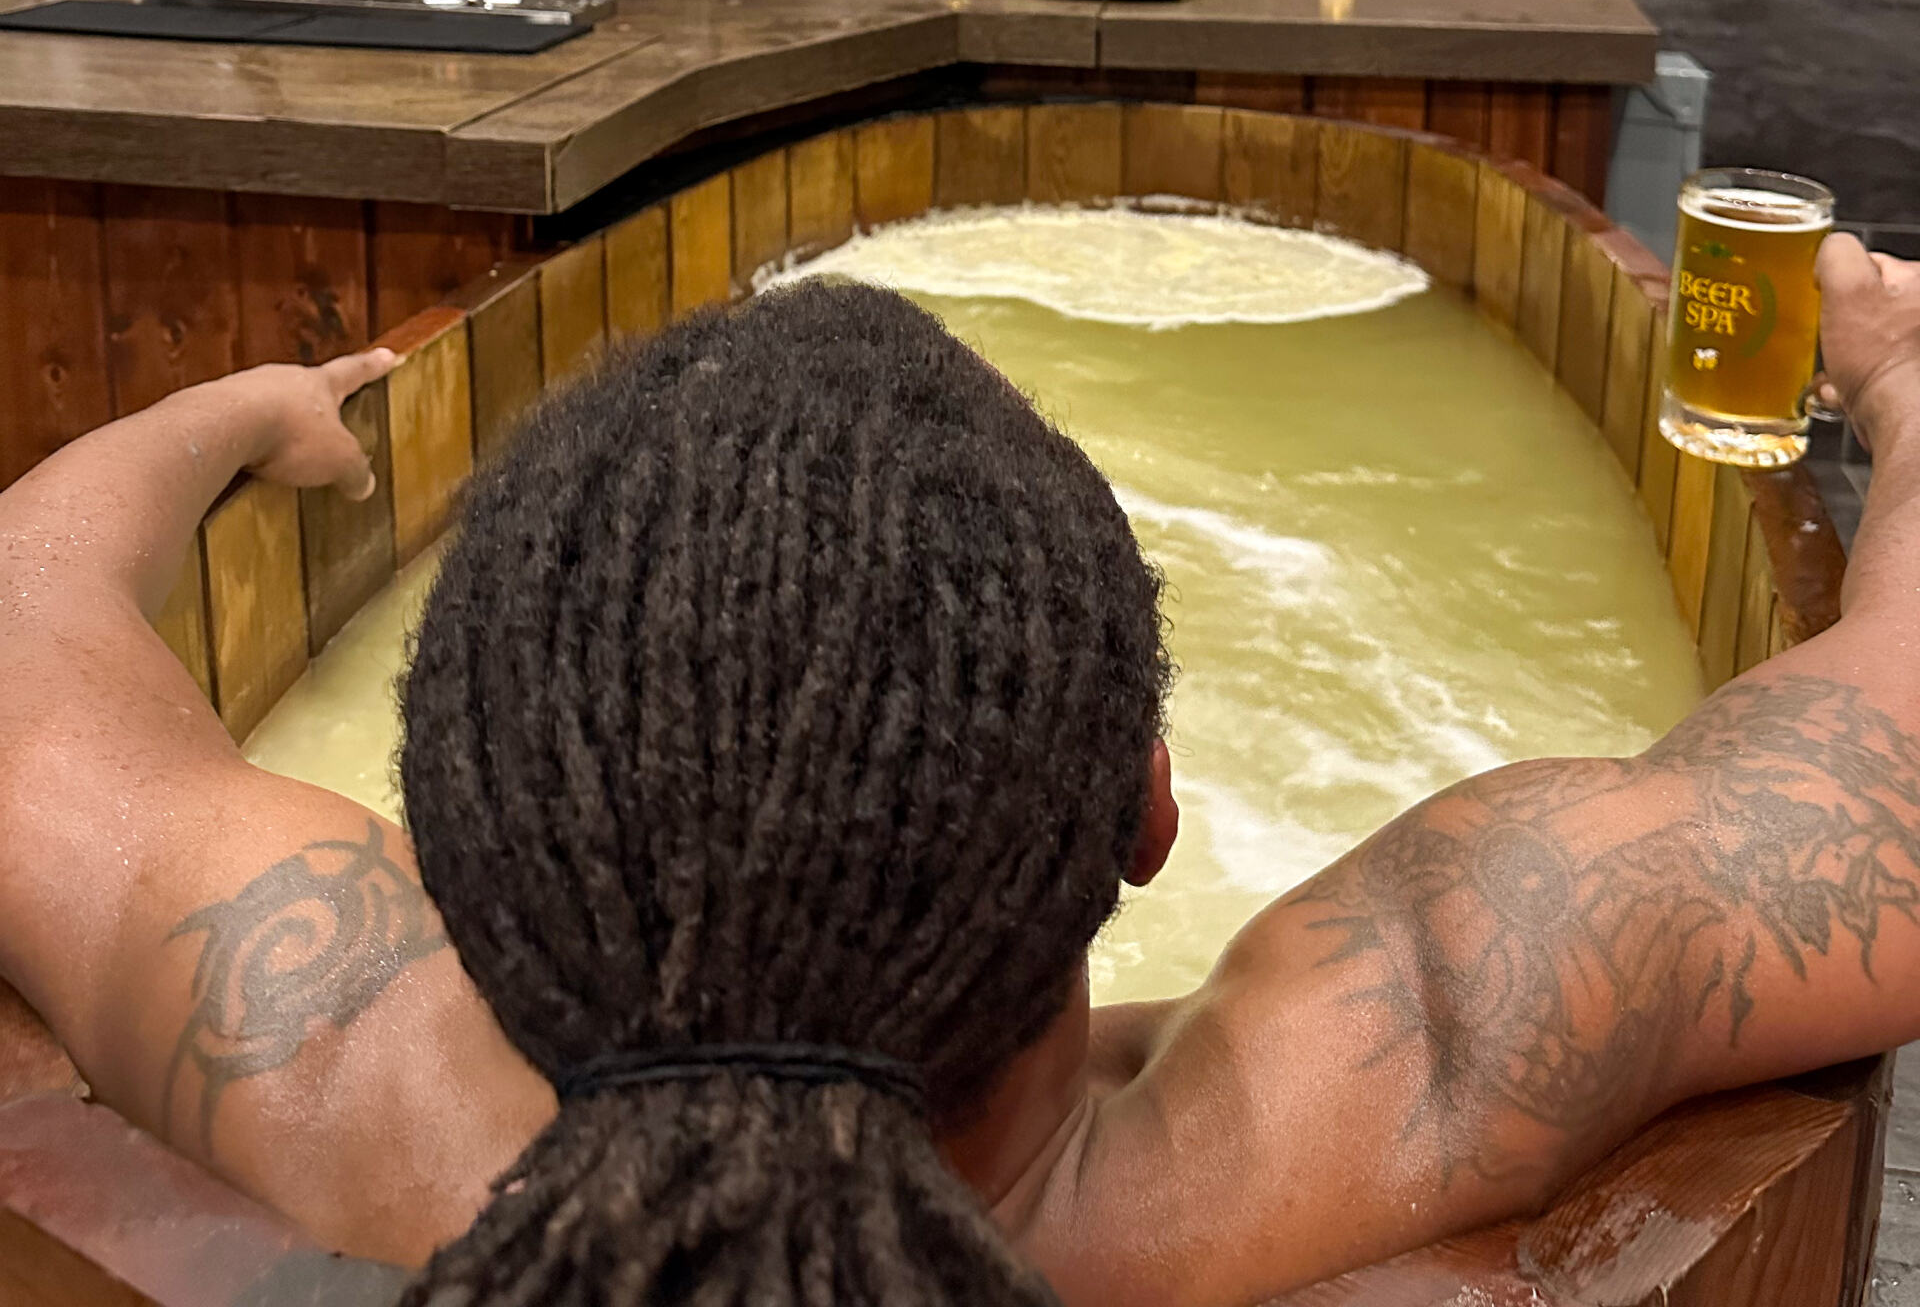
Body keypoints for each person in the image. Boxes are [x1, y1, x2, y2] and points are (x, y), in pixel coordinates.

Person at [3, 247, 1920, 1305]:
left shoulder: (328, 1051)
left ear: (459, 860)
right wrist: (1901, 389)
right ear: (1158, 811)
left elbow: (23, 654)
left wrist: (222, 414)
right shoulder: (1428, 1038)